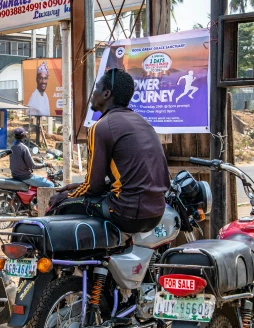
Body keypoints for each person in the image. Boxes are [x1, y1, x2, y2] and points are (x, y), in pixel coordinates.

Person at [53, 68, 170, 234]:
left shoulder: (100, 127)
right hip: (156, 212)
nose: (92, 95)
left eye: (96, 89)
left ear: (106, 94)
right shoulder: (142, 122)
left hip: (127, 213)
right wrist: (80, 186)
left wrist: (67, 195)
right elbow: (129, 179)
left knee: (59, 204)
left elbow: (94, 187)